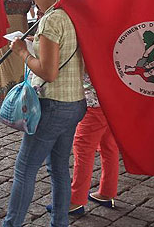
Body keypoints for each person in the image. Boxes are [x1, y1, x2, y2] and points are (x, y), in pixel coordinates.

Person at [5, 0, 86, 227]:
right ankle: (59, 223)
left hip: (52, 104)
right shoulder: (76, 15)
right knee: (59, 168)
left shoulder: (52, 19)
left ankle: (12, 224)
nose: (32, 0)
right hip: (75, 102)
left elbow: (48, 72)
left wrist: (22, 52)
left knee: (25, 170)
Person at [66, 75, 119, 215]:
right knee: (109, 146)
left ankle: (75, 200)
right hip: (112, 99)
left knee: (83, 149)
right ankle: (107, 192)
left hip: (93, 102)